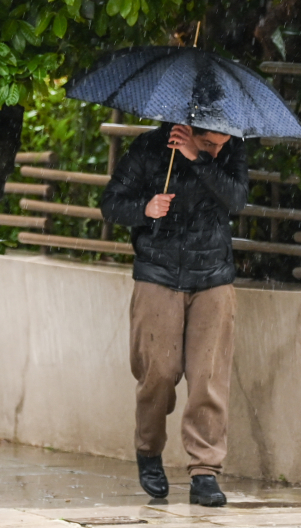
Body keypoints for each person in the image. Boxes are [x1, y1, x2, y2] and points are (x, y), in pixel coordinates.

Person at [100, 121, 249, 507]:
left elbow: (235, 199)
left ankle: (205, 472)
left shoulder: (226, 150)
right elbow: (111, 204)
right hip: (158, 272)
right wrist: (145, 209)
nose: (218, 150)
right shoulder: (150, 148)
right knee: (159, 374)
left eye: (222, 144)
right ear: (188, 128)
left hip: (214, 274)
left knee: (209, 378)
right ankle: (148, 450)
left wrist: (198, 158)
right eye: (209, 143)